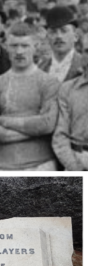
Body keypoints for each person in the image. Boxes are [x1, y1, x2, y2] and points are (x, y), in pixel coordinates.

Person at [0, 22, 61, 171]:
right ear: (6, 46)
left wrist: (4, 120)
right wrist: (32, 132)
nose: (19, 51)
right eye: (14, 45)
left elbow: (47, 124)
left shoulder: (49, 82)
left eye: (25, 46)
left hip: (41, 165)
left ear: (35, 47)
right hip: (2, 167)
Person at [51, 33, 88, 170]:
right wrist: (74, 167)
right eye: (87, 51)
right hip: (76, 158)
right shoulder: (67, 89)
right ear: (81, 54)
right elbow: (60, 135)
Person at [39, 6, 83, 82]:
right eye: (53, 32)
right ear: (47, 38)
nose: (59, 36)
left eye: (64, 31)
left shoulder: (84, 65)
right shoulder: (40, 68)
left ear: (75, 37)